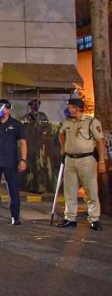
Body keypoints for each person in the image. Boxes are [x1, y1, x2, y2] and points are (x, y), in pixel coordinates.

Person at [56, 98, 107, 231]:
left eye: (71, 107)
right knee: (69, 190)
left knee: (90, 190)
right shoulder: (67, 122)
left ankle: (94, 218)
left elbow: (100, 141)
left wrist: (101, 161)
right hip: (70, 159)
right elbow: (61, 134)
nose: (69, 109)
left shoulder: (91, 122)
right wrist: (63, 148)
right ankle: (70, 217)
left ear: (78, 108)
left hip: (87, 160)